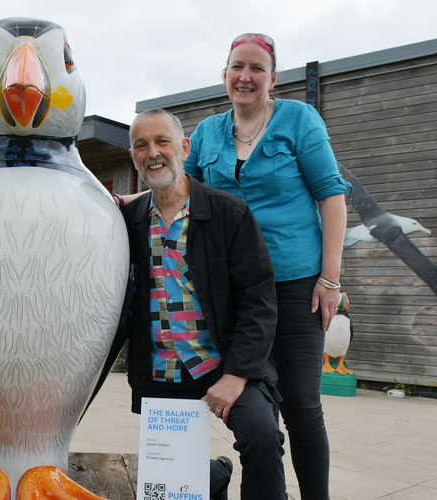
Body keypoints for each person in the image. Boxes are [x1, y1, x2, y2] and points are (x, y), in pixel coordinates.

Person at [183, 33, 350, 500]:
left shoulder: (299, 120)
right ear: (224, 76)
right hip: (235, 293)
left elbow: (332, 197)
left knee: (301, 405)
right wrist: (119, 200)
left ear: (273, 79)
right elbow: (179, 192)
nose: (246, 76)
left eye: (257, 68)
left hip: (297, 285)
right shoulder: (209, 132)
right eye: (238, 66)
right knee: (257, 409)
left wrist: (329, 279)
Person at [120, 109, 286, 499]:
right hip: (162, 371)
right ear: (133, 158)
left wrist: (237, 375)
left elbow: (259, 301)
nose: (153, 152)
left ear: (184, 147)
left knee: (262, 437)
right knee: (173, 482)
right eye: (141, 145)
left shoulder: (230, 214)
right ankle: (213, 477)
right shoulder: (126, 221)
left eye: (162, 141)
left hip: (223, 364)